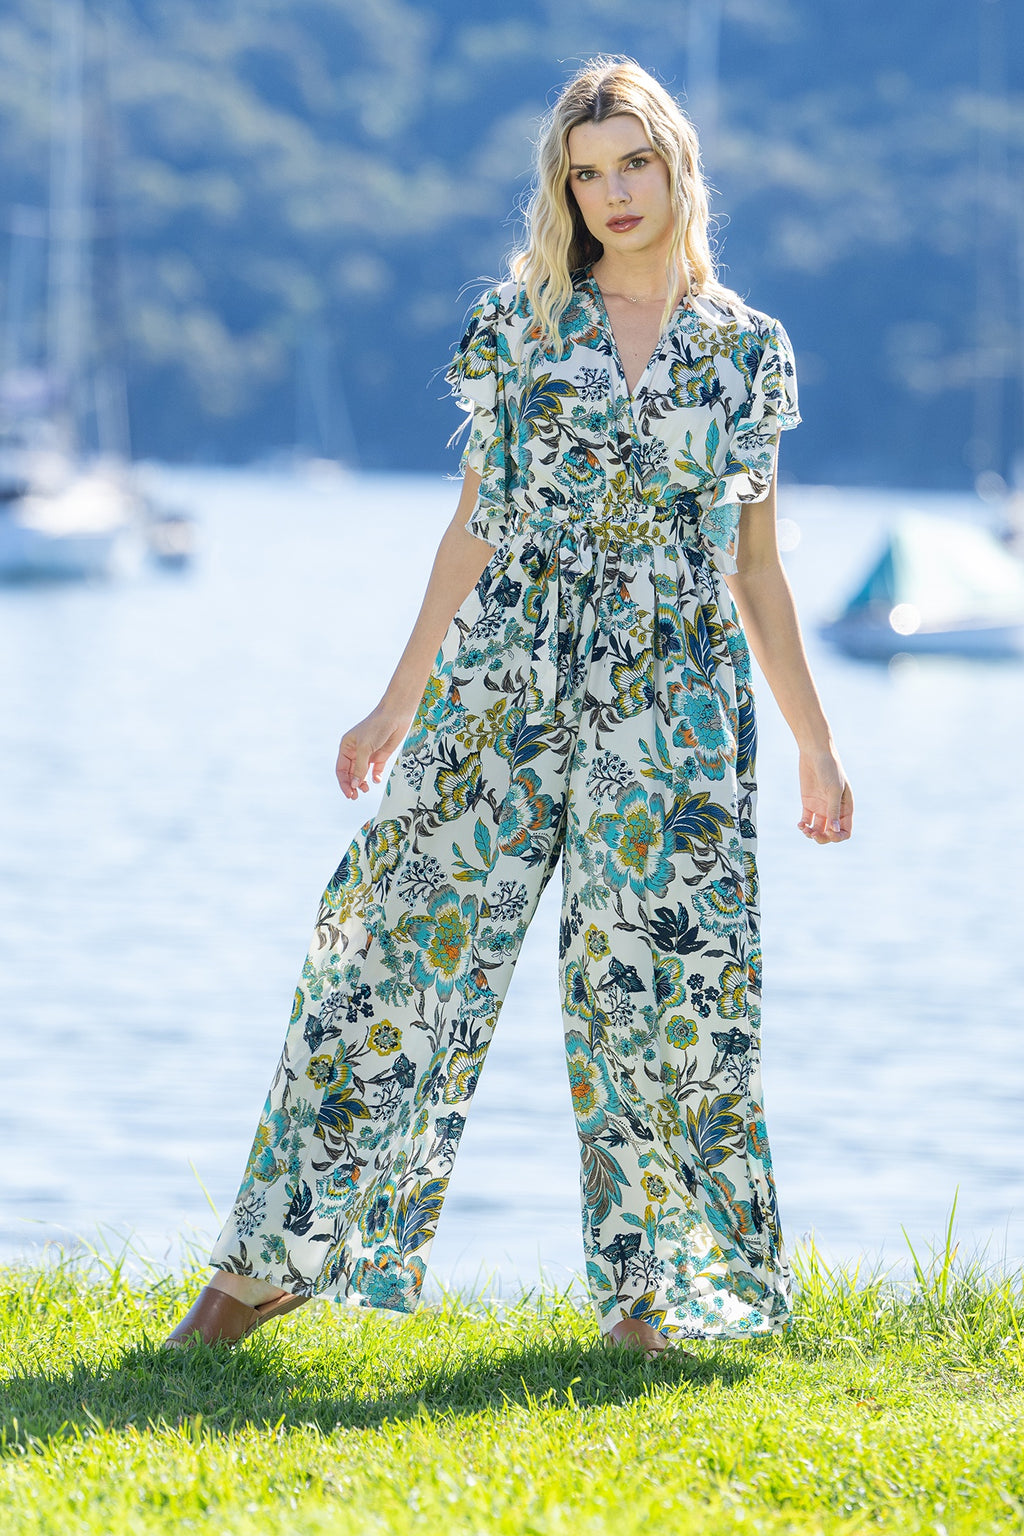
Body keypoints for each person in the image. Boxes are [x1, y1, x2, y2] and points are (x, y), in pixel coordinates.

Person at [166, 56, 852, 1359]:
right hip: (507, 675)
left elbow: (757, 568)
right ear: (566, 190)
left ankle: (651, 1300)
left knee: (661, 986)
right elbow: (473, 527)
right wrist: (395, 702)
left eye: (634, 163)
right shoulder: (519, 327)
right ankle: (263, 1268)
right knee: (390, 943)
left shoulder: (745, 350)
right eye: (587, 174)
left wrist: (816, 744)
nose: (614, 194)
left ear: (677, 167)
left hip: (674, 696)